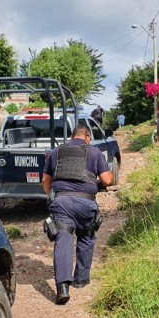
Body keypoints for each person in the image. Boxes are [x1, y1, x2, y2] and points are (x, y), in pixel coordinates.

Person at [42, 123, 114, 305]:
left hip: (61, 202)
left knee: (63, 238)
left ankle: (63, 288)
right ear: (87, 137)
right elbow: (107, 179)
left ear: (72, 137)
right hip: (86, 202)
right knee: (86, 236)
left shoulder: (56, 152)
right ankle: (81, 279)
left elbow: (45, 179)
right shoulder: (94, 152)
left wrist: (52, 195)